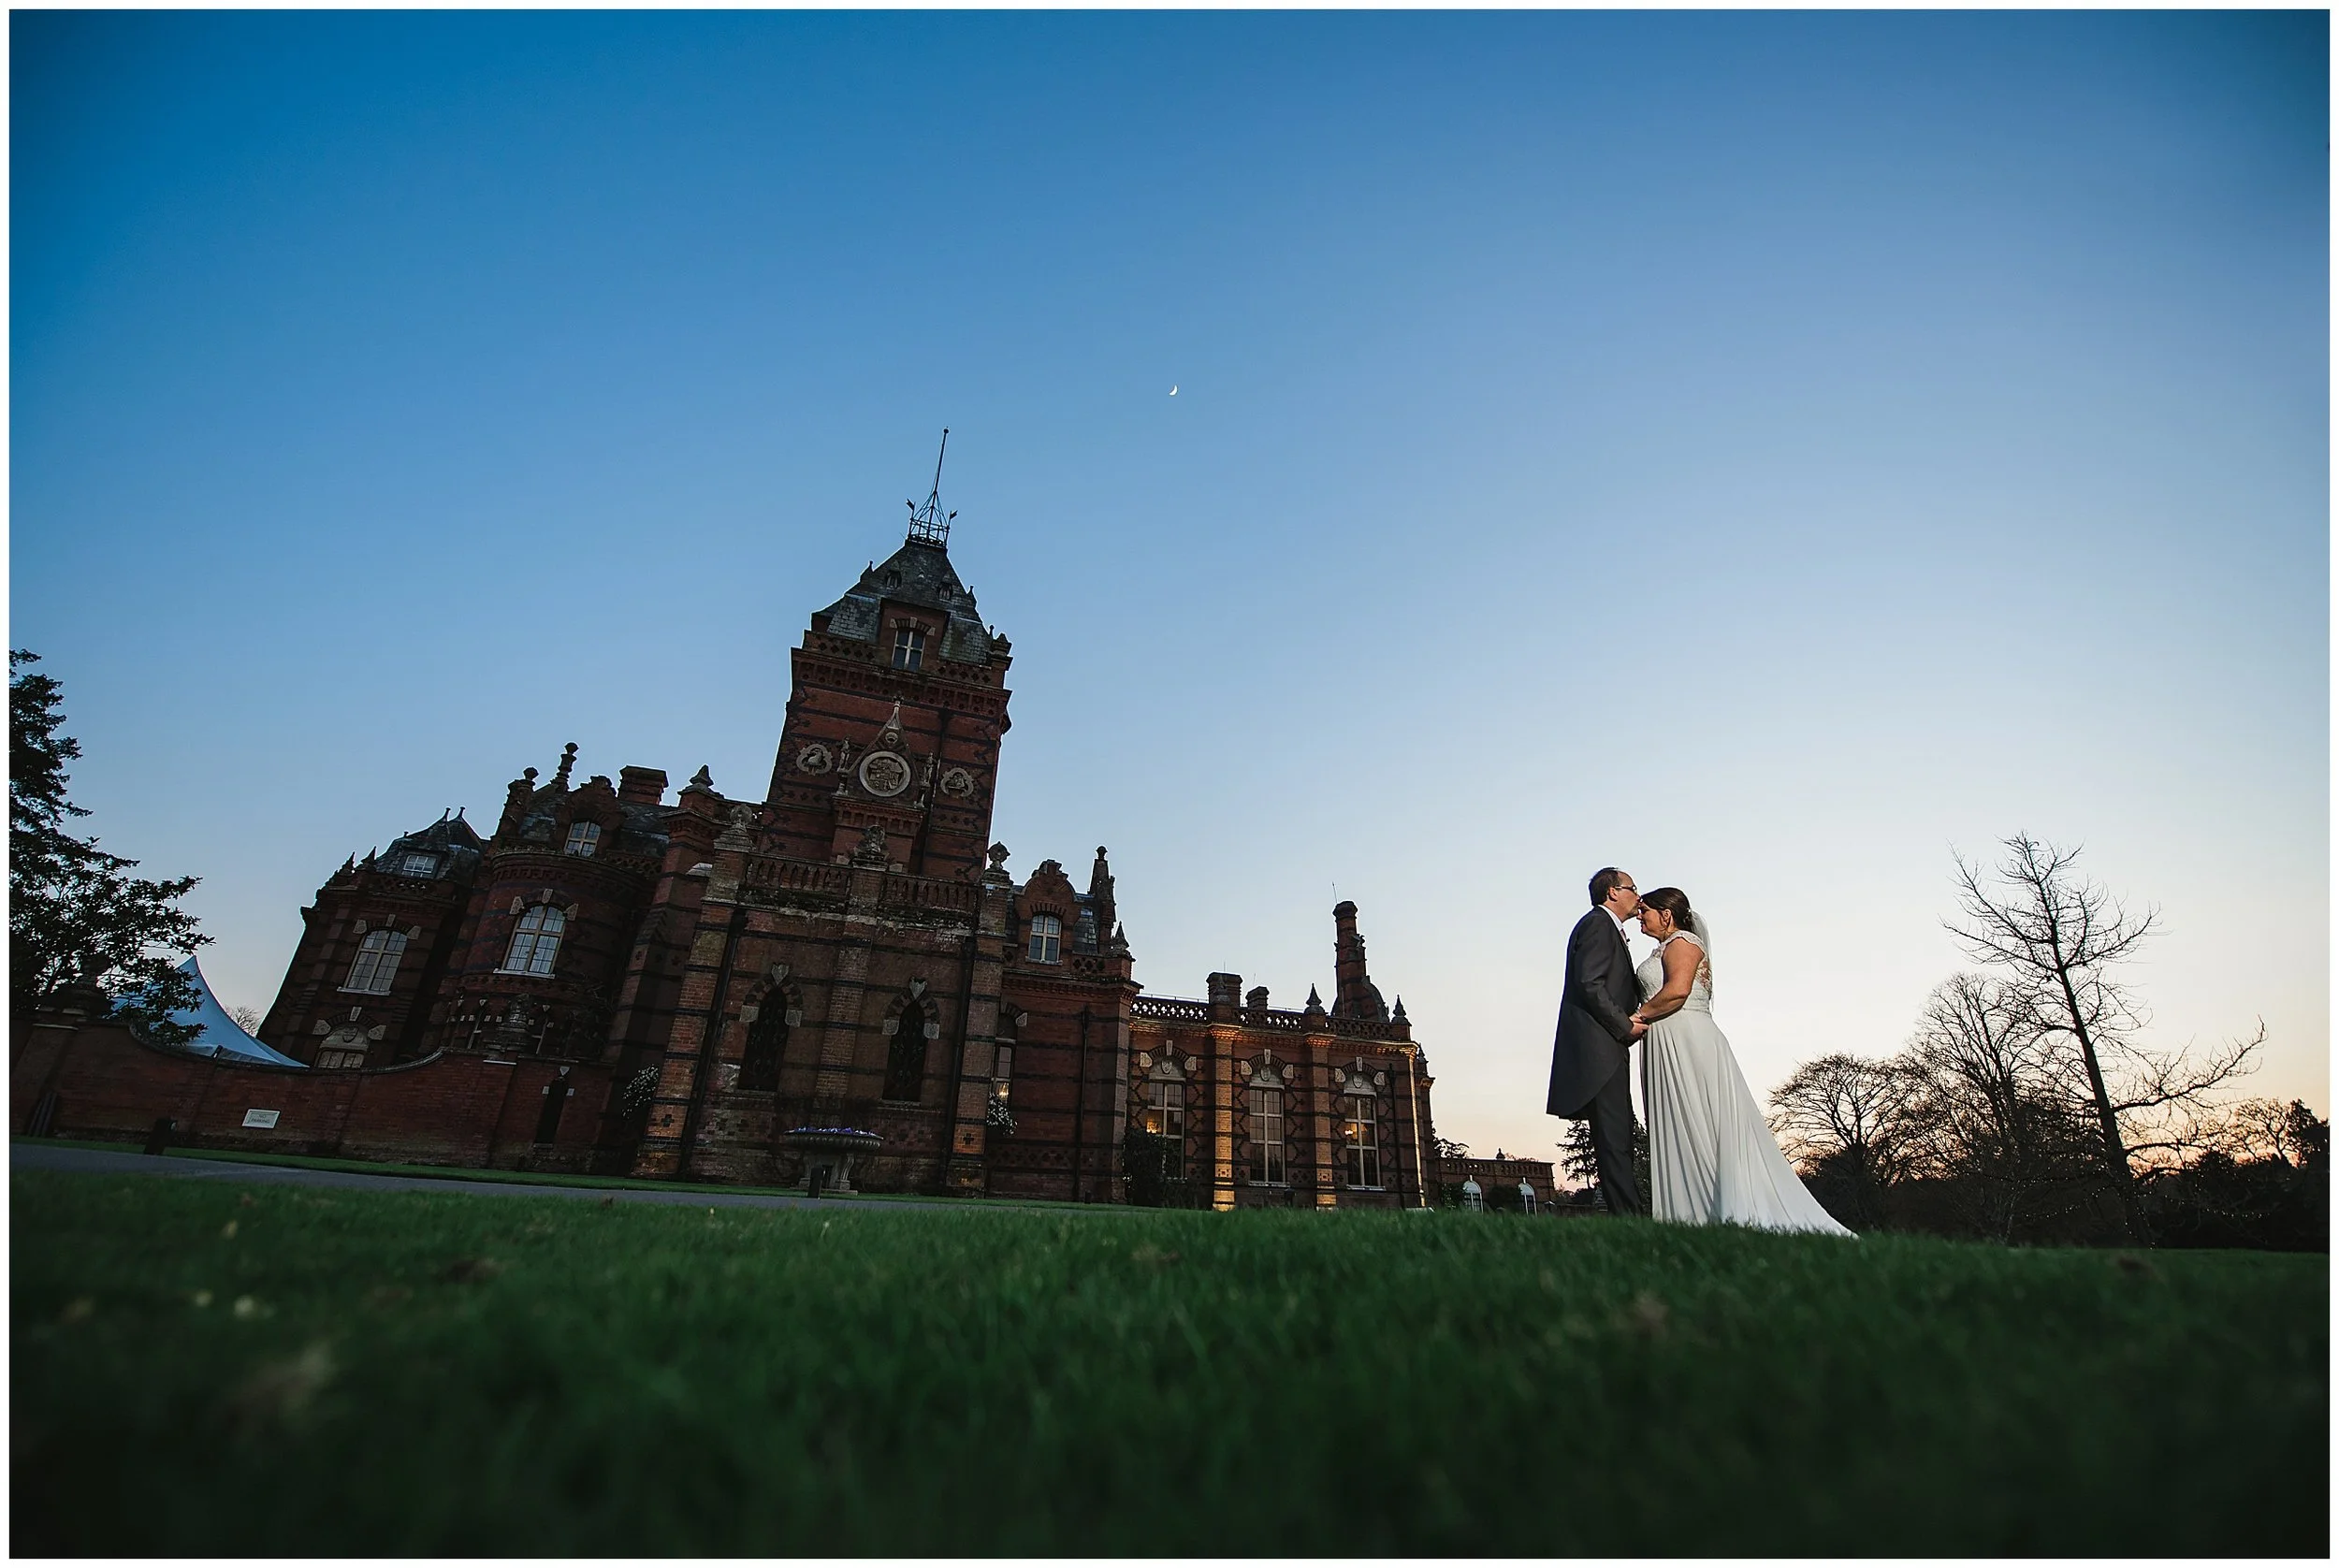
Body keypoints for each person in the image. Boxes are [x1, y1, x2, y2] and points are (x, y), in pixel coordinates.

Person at [1629, 887, 1853, 1236]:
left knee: (1700, 1118)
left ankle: (1720, 1206)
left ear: (1666, 914)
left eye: (1645, 911)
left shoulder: (1683, 943)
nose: (1640, 917)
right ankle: (1691, 1212)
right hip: (1665, 1040)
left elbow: (1677, 991)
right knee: (1681, 1121)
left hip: (1687, 1039)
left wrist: (1637, 1016)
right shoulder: (1663, 948)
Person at [1546, 867, 1646, 1215]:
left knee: (1617, 1136)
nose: (1638, 896)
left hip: (1605, 1047)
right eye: (1633, 888)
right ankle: (1629, 1218)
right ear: (1613, 892)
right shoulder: (1598, 925)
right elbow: (1590, 982)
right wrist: (1624, 1025)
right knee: (1614, 1138)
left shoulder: (1601, 926)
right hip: (1600, 1050)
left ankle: (1628, 1214)